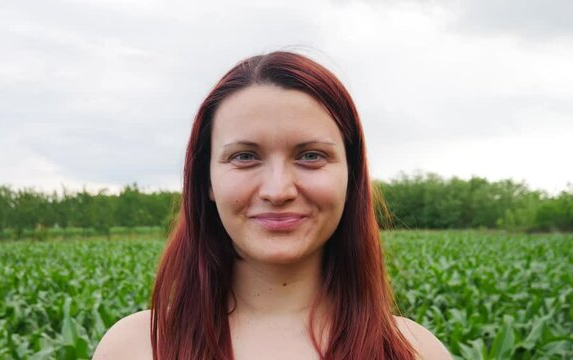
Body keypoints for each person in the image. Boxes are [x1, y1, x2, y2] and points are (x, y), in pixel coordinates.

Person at [93, 51, 453, 359]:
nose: (278, 190)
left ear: (351, 177)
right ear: (206, 181)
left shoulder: (415, 352)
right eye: (245, 156)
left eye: (311, 156)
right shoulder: (135, 348)